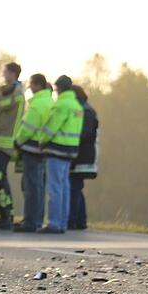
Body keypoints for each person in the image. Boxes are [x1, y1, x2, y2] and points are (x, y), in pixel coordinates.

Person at [37, 75, 84, 233]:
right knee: (64, 187)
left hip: (57, 149)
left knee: (54, 188)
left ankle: (54, 223)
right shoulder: (77, 105)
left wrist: (42, 140)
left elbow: (52, 127)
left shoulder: (61, 105)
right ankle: (62, 222)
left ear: (59, 88)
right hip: (71, 150)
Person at [13, 74, 54, 232]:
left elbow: (28, 128)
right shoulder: (50, 102)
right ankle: (36, 220)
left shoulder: (37, 104)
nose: (30, 87)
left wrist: (18, 141)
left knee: (31, 187)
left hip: (31, 149)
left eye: (31, 84)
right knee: (39, 187)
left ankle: (30, 222)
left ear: (37, 85)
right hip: (43, 149)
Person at [0, 62, 26, 229]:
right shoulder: (11, 91)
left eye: (5, 72)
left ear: (13, 73)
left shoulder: (16, 93)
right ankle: (4, 213)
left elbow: (0, 105)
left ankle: (6, 213)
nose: (3, 75)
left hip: (5, 144)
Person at [68, 84, 98, 230]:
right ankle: (80, 220)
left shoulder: (85, 111)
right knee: (76, 187)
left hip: (81, 155)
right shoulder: (87, 109)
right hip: (84, 155)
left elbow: (85, 133)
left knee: (74, 187)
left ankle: (74, 220)